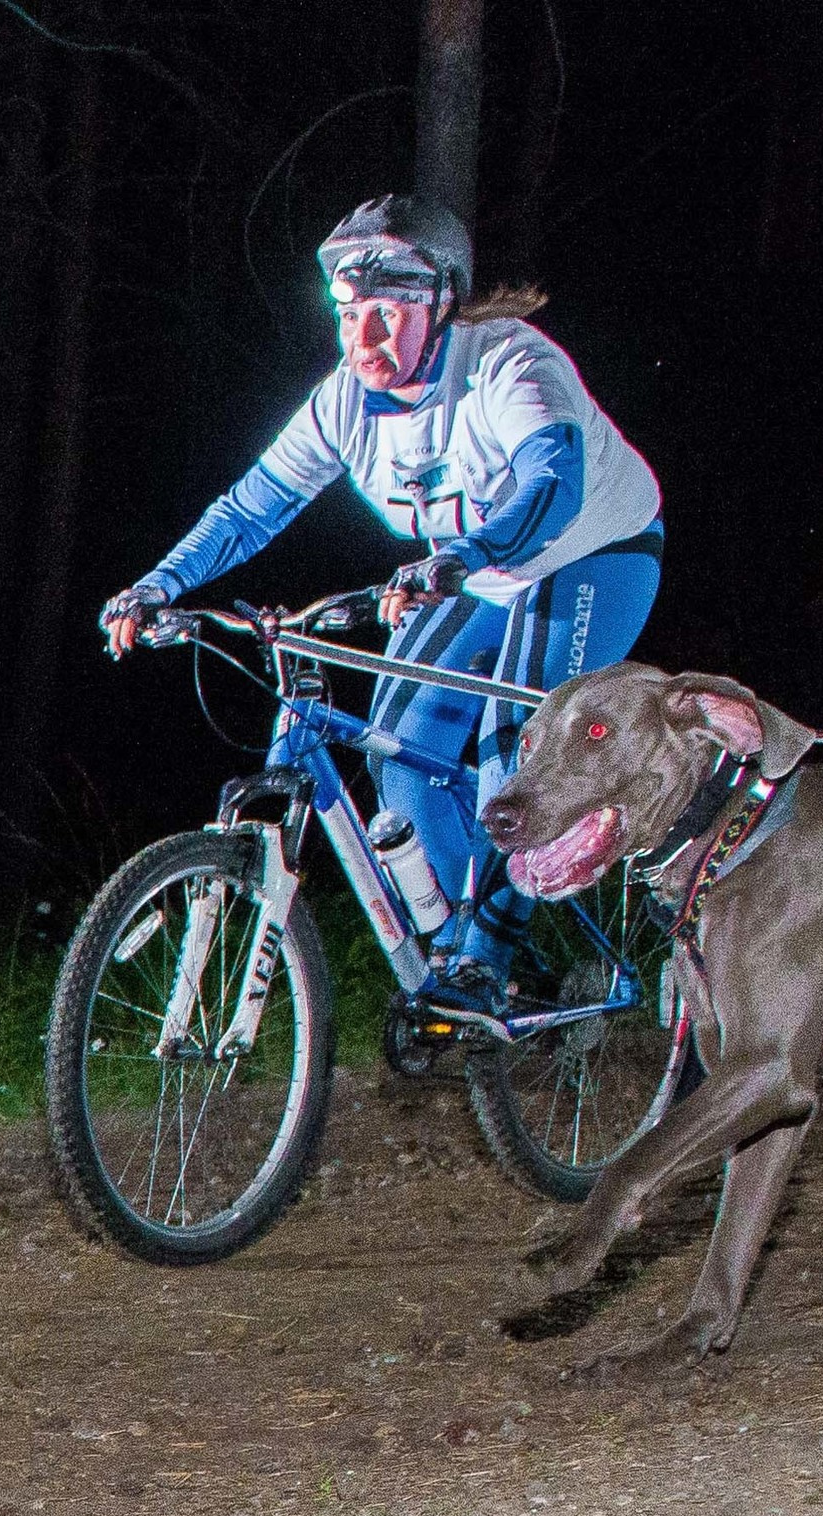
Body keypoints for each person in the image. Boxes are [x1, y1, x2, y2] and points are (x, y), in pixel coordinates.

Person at [99, 194, 663, 1006]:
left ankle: (490, 954)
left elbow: (554, 482)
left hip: (592, 557)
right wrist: (159, 584)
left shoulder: (509, 364)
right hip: (474, 572)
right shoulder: (343, 402)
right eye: (348, 313)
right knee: (397, 750)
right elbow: (253, 507)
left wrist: (461, 554)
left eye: (388, 313)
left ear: (439, 306)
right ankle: (465, 950)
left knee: (519, 762)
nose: (363, 338)